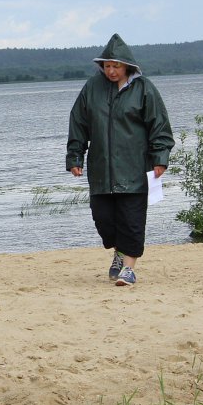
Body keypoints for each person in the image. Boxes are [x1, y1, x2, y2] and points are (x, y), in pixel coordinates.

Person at [66, 33, 174, 286]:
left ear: (127, 66)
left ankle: (129, 269)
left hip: (135, 167)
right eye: (107, 66)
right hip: (101, 169)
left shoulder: (144, 88)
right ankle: (119, 252)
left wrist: (160, 157)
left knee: (132, 220)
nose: (111, 71)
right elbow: (78, 122)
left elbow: (159, 125)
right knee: (103, 219)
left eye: (116, 66)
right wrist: (75, 157)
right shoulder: (92, 87)